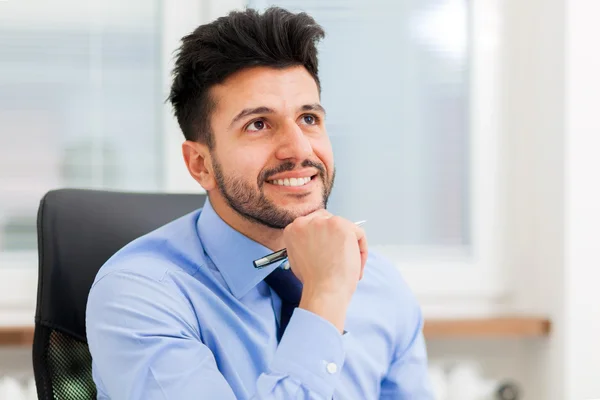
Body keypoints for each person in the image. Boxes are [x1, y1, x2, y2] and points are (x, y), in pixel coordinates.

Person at [86, 6, 434, 399]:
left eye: (308, 118)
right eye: (258, 124)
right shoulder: (139, 295)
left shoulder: (380, 285)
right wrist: (324, 299)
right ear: (200, 164)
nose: (299, 149)